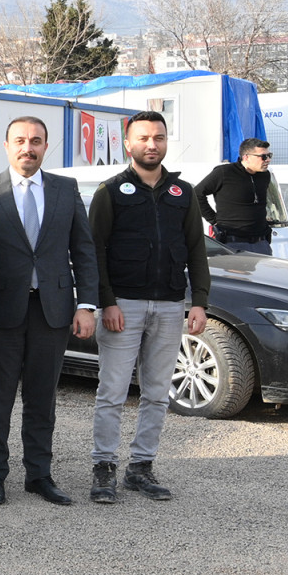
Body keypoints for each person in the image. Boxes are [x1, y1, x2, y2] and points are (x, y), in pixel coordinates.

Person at [0, 117, 98, 508]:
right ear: (7, 146)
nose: (28, 148)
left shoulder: (65, 189)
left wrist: (86, 304)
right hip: (0, 313)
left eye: (36, 141)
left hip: (51, 313)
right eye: (21, 141)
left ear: (45, 146)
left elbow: (84, 250)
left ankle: (39, 475)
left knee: (42, 399)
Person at [88, 110, 210, 504]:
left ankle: (141, 467)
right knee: (112, 392)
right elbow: (95, 251)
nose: (151, 144)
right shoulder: (110, 191)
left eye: (158, 137)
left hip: (171, 305)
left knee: (157, 393)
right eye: (143, 138)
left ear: (166, 141)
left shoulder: (183, 193)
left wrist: (199, 301)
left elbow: (196, 249)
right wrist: (106, 301)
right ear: (128, 144)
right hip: (123, 307)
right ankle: (104, 468)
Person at [195, 138, 278, 255]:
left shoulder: (265, 175)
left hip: (261, 243)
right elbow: (197, 194)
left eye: (269, 155)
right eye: (263, 156)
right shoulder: (224, 172)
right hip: (233, 242)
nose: (268, 160)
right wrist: (213, 220)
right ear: (246, 157)